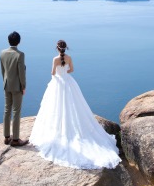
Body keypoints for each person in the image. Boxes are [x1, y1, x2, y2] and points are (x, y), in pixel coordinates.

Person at [29, 40, 120, 169]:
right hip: (68, 82)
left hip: (58, 84)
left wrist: (60, 72)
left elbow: (52, 73)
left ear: (57, 48)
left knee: (56, 107)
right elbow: (71, 69)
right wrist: (65, 72)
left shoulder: (55, 59)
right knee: (73, 106)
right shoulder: (69, 58)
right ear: (66, 48)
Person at [0, 31, 28, 147]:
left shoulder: (2, 53)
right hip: (17, 87)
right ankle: (16, 139)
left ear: (8, 41)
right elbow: (21, 73)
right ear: (19, 41)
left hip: (6, 85)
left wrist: (5, 82)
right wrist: (23, 86)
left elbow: (3, 71)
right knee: (16, 111)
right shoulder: (20, 54)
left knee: (7, 110)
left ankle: (6, 137)